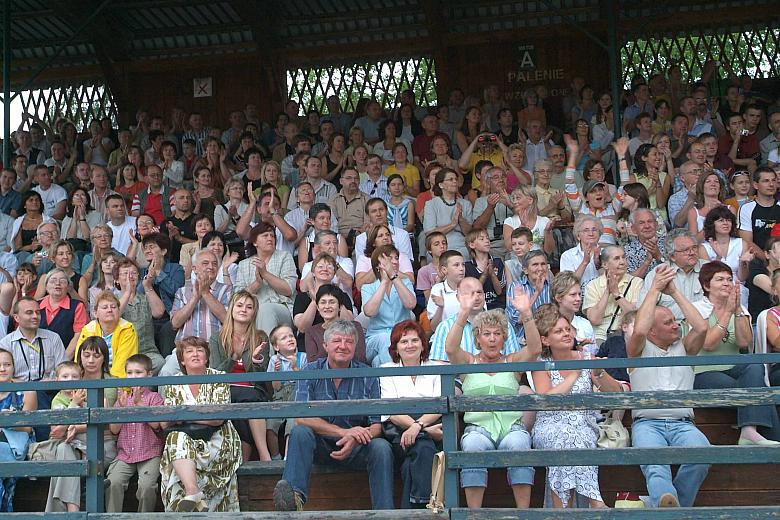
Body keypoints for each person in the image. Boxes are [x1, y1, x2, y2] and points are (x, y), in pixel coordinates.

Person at [273, 320, 394, 511]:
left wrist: (354, 438)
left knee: (381, 447)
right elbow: (301, 416)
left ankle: (385, 512)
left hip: (357, 447)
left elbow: (377, 427)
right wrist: (344, 432)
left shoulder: (368, 375)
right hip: (320, 446)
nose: (343, 346)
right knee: (300, 432)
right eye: (337, 341)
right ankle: (293, 500)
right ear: (325, 345)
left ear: (355, 346)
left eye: (349, 342)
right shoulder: (310, 371)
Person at [444, 292, 541, 509]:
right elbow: (450, 348)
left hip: (511, 428)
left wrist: (526, 312)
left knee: (520, 443)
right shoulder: (468, 361)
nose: (492, 338)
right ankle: (474, 514)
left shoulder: (512, 361)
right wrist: (463, 313)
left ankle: (523, 514)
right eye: (486, 334)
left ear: (504, 338)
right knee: (471, 444)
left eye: (497, 333)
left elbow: (535, 349)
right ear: (478, 339)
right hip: (478, 428)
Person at [627, 264, 711, 508]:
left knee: (703, 453)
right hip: (647, 424)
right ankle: (669, 506)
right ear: (653, 331)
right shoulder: (638, 349)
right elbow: (640, 327)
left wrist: (674, 292)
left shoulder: (685, 348)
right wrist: (653, 287)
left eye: (675, 321)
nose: (676, 325)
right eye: (668, 323)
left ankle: (669, 507)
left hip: (683, 425)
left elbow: (702, 326)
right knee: (655, 463)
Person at [531, 304, 621, 508]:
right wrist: (573, 375)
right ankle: (595, 502)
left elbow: (615, 392)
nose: (566, 334)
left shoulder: (586, 358)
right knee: (564, 438)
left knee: (573, 439)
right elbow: (546, 400)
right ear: (545, 340)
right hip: (549, 425)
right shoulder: (541, 363)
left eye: (567, 329)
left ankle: (563, 511)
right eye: (558, 331)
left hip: (584, 424)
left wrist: (597, 372)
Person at [693, 261, 780, 444]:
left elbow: (744, 342)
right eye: (720, 279)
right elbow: (708, 343)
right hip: (703, 372)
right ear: (707, 285)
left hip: (736, 369)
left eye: (729, 279)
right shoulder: (696, 309)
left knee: (754, 365)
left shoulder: (739, 309)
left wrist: (738, 309)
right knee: (761, 393)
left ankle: (749, 430)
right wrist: (727, 312)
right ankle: (759, 436)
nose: (727, 283)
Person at [159, 336, 242, 512]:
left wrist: (184, 414)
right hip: (185, 439)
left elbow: (218, 417)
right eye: (189, 351)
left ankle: (194, 495)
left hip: (218, 437)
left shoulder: (219, 377)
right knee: (175, 438)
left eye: (200, 350)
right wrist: (189, 415)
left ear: (206, 357)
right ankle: (193, 491)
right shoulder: (173, 382)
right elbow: (165, 423)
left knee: (179, 445)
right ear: (182, 359)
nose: (195, 354)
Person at [47, 339, 118, 512]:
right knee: (63, 450)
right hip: (72, 444)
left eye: (96, 355)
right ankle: (73, 511)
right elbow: (56, 431)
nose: (91, 360)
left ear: (105, 358)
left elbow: (107, 421)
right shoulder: (67, 391)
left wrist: (77, 427)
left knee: (65, 457)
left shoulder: (112, 383)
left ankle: (59, 513)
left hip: (102, 442)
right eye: (86, 355)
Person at [379, 320, 442, 509]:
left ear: (423, 344)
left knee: (411, 465)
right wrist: (422, 430)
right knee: (423, 445)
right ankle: (425, 505)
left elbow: (439, 405)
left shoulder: (436, 367)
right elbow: (391, 409)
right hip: (399, 431)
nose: (410, 345)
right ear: (396, 348)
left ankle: (412, 510)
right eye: (404, 342)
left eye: (415, 340)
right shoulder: (386, 370)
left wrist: (418, 426)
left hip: (430, 424)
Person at [208, 290, 272, 461]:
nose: (244, 309)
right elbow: (215, 373)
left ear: (254, 313)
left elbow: (262, 375)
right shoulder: (218, 337)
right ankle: (262, 454)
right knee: (242, 404)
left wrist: (256, 360)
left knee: (250, 398)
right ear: (232, 309)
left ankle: (250, 458)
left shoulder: (260, 337)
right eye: (240, 305)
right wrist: (233, 357)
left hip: (253, 389)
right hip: (226, 390)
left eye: (249, 307)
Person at [105, 354, 164, 513]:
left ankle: (144, 516)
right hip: (125, 454)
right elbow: (114, 429)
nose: (134, 376)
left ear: (149, 374)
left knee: (146, 487)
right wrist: (122, 410)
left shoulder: (154, 398)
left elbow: (157, 425)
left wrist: (140, 405)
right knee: (113, 482)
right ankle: (112, 516)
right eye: (130, 373)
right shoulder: (123, 399)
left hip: (149, 453)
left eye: (138, 372)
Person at [361, 245, 417, 366]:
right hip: (376, 337)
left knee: (379, 360)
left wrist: (394, 278)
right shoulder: (368, 287)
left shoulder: (405, 283)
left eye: (396, 258)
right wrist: (385, 281)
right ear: (378, 265)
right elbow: (370, 312)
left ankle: (381, 375)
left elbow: (411, 304)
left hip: (404, 335)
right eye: (389, 259)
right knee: (388, 339)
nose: (395, 261)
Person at [0, 347, 36, 512]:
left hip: (16, 446)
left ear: (14, 366)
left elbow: (28, 427)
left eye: (7, 364)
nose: (2, 369)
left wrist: (8, 420)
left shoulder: (26, 389)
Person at [640, 229, 705, 322]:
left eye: (694, 247)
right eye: (685, 250)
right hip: (669, 329)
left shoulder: (709, 270)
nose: (692, 252)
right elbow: (643, 310)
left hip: (704, 326)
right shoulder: (659, 273)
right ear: (672, 256)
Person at [114, 258, 166, 374]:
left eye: (133, 273)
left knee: (160, 363)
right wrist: (127, 292)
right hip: (121, 353)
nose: (130, 277)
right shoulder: (112, 299)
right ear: (116, 279)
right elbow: (113, 317)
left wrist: (147, 286)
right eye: (125, 274)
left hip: (147, 353)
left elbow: (159, 312)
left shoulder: (145, 296)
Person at [583, 246, 641, 344]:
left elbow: (635, 316)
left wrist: (616, 294)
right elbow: (595, 320)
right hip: (601, 336)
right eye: (617, 258)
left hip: (627, 335)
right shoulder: (592, 285)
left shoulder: (636, 282)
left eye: (624, 257)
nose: (622, 262)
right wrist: (607, 291)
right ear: (605, 264)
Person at [75, 291, 138, 378]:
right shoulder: (88, 329)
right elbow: (79, 359)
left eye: (113, 307)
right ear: (95, 313)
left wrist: (113, 386)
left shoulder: (127, 329)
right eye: (105, 307)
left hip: (116, 379)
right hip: (90, 376)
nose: (109, 310)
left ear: (119, 311)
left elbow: (123, 364)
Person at [305, 283, 367, 363]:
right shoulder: (312, 331)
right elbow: (312, 361)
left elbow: (360, 357)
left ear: (340, 306)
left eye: (332, 302)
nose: (327, 306)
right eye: (323, 302)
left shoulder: (354, 326)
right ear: (318, 307)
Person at [38, 269, 87, 359]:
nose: (57, 284)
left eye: (62, 281)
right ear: (46, 286)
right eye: (53, 281)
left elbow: (78, 336)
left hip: (65, 360)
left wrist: (63, 361)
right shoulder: (36, 306)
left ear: (68, 287)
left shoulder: (77, 306)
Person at [423, 167, 474, 256]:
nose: (455, 182)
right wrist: (452, 224)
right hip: (439, 246)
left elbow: (469, 233)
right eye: (450, 179)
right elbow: (430, 232)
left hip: (462, 246)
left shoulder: (466, 204)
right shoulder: (431, 204)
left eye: (456, 179)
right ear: (441, 185)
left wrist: (461, 219)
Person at [738, 167, 780, 257]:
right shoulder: (746, 208)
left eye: (773, 180)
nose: (771, 184)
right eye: (766, 181)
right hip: (758, 260)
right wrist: (767, 262)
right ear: (756, 185)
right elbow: (747, 242)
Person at [502, 185, 554, 255]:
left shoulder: (544, 221)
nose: (514, 202)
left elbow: (549, 251)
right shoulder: (510, 221)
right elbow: (509, 247)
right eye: (513, 199)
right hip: (518, 263)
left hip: (538, 262)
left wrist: (547, 232)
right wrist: (522, 227)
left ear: (530, 200)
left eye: (518, 198)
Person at [552, 271, 596, 353]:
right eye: (573, 295)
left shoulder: (585, 324)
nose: (578, 299)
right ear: (558, 298)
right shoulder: (548, 324)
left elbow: (593, 354)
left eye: (579, 294)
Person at [426, 250, 467, 330]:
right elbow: (433, 327)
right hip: (444, 336)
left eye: (463, 265)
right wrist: (440, 308)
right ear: (444, 270)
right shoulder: (437, 289)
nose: (461, 268)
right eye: (456, 265)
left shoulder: (472, 287)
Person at [559, 215, 601, 289]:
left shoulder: (607, 253)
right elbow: (567, 285)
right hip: (577, 298)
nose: (591, 233)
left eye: (594, 230)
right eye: (586, 230)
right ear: (578, 236)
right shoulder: (567, 256)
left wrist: (599, 264)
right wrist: (585, 262)